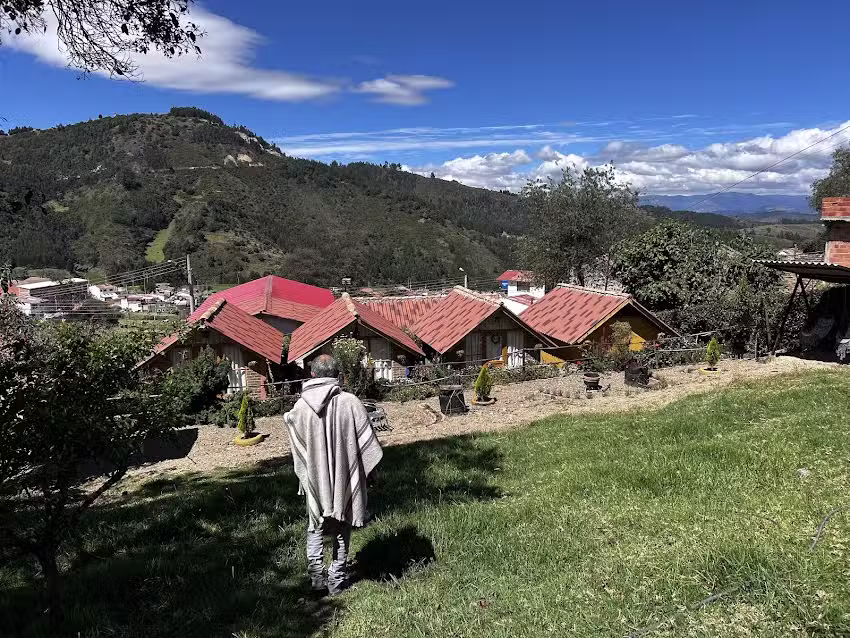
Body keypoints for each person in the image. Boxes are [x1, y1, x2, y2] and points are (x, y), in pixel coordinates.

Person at [283, 354, 383, 596]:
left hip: (315, 476)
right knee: (342, 524)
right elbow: (365, 445)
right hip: (343, 476)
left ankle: (317, 579)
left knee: (315, 525)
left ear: (313, 374)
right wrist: (372, 473)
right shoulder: (350, 402)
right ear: (338, 375)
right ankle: (336, 578)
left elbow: (292, 429)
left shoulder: (301, 406)